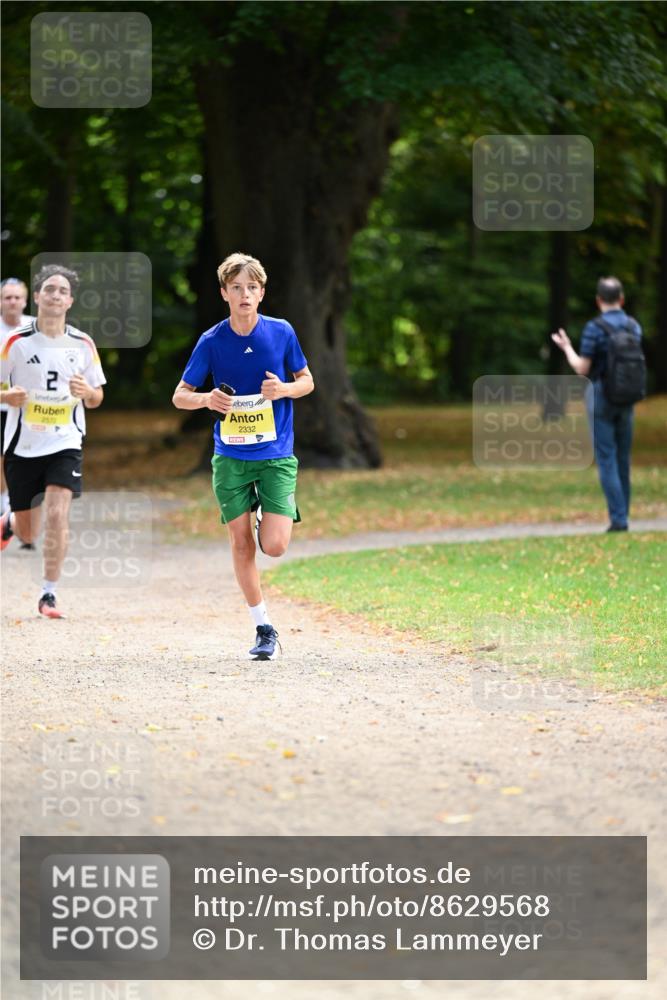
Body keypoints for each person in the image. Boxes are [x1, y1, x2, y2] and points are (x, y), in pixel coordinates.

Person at [172, 252, 314, 660]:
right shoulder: (212, 341)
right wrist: (206, 399)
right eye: (237, 288)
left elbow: (307, 381)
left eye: (252, 287)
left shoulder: (282, 332)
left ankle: (270, 510)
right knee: (240, 544)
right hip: (231, 457)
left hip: (275, 454)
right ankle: (263, 627)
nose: (245, 294)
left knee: (274, 546)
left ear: (262, 292)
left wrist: (284, 390)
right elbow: (179, 396)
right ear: (224, 293)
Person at [0, 265, 106, 617]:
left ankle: (48, 593)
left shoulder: (82, 343)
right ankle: (11, 523)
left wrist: (87, 391)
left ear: (70, 300)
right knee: (29, 530)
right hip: (23, 444)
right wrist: (7, 397)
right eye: (49, 289)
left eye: (62, 290)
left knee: (58, 513)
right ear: (37, 297)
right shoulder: (15, 343)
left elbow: (96, 397)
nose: (56, 295)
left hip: (66, 442)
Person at [551, 276, 642, 532]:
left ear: (598, 300)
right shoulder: (634, 326)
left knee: (607, 459)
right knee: (623, 459)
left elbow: (582, 368)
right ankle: (623, 515)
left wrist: (567, 347)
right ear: (621, 299)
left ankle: (619, 519)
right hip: (627, 398)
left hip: (601, 396)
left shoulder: (594, 328)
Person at [1, 278, 32, 517]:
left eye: (16, 297)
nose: (12, 302)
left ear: (25, 300)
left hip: (31, 409)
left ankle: (18, 506)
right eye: (7, 297)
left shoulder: (37, 327)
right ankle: (5, 506)